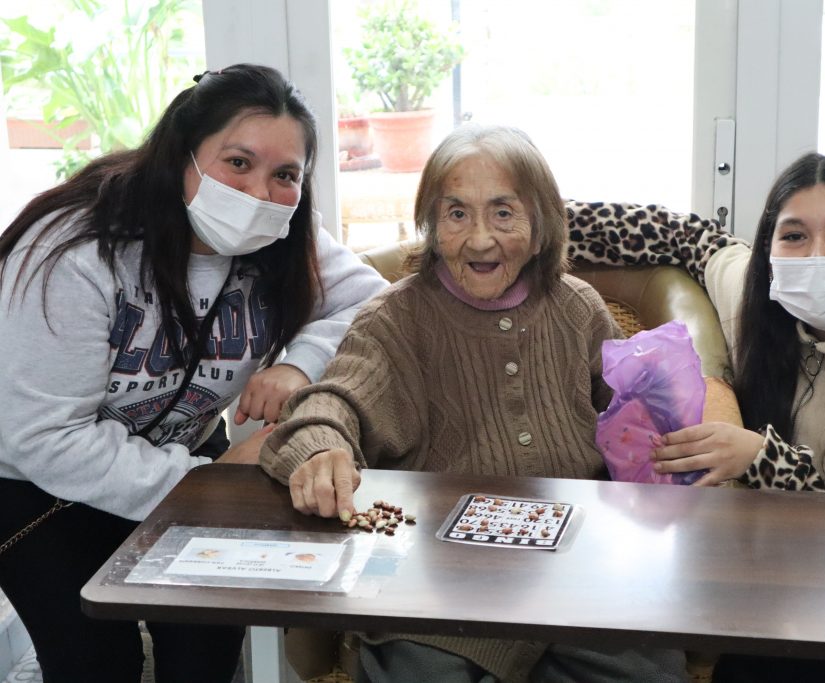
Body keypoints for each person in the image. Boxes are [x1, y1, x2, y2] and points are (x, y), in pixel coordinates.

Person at [0, 64, 388, 683]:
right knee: (95, 661)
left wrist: (298, 364)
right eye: (238, 162)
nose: (260, 193)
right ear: (182, 153)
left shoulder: (286, 236)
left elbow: (374, 305)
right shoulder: (74, 253)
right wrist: (210, 484)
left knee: (205, 648)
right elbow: (46, 438)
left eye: (285, 175)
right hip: (40, 488)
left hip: (188, 454)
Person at [260, 123, 688, 682]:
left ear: (541, 226)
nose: (480, 238)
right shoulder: (396, 318)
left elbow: (635, 417)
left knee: (652, 670)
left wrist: (667, 431)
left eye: (503, 213)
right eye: (456, 213)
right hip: (439, 581)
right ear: (431, 226)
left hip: (579, 572)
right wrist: (321, 450)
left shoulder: (577, 307)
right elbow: (330, 405)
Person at [565, 153, 825, 683]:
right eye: (793, 236)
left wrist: (766, 461)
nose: (816, 257)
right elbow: (683, 236)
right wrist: (523, 225)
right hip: (781, 620)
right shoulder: (760, 316)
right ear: (768, 253)